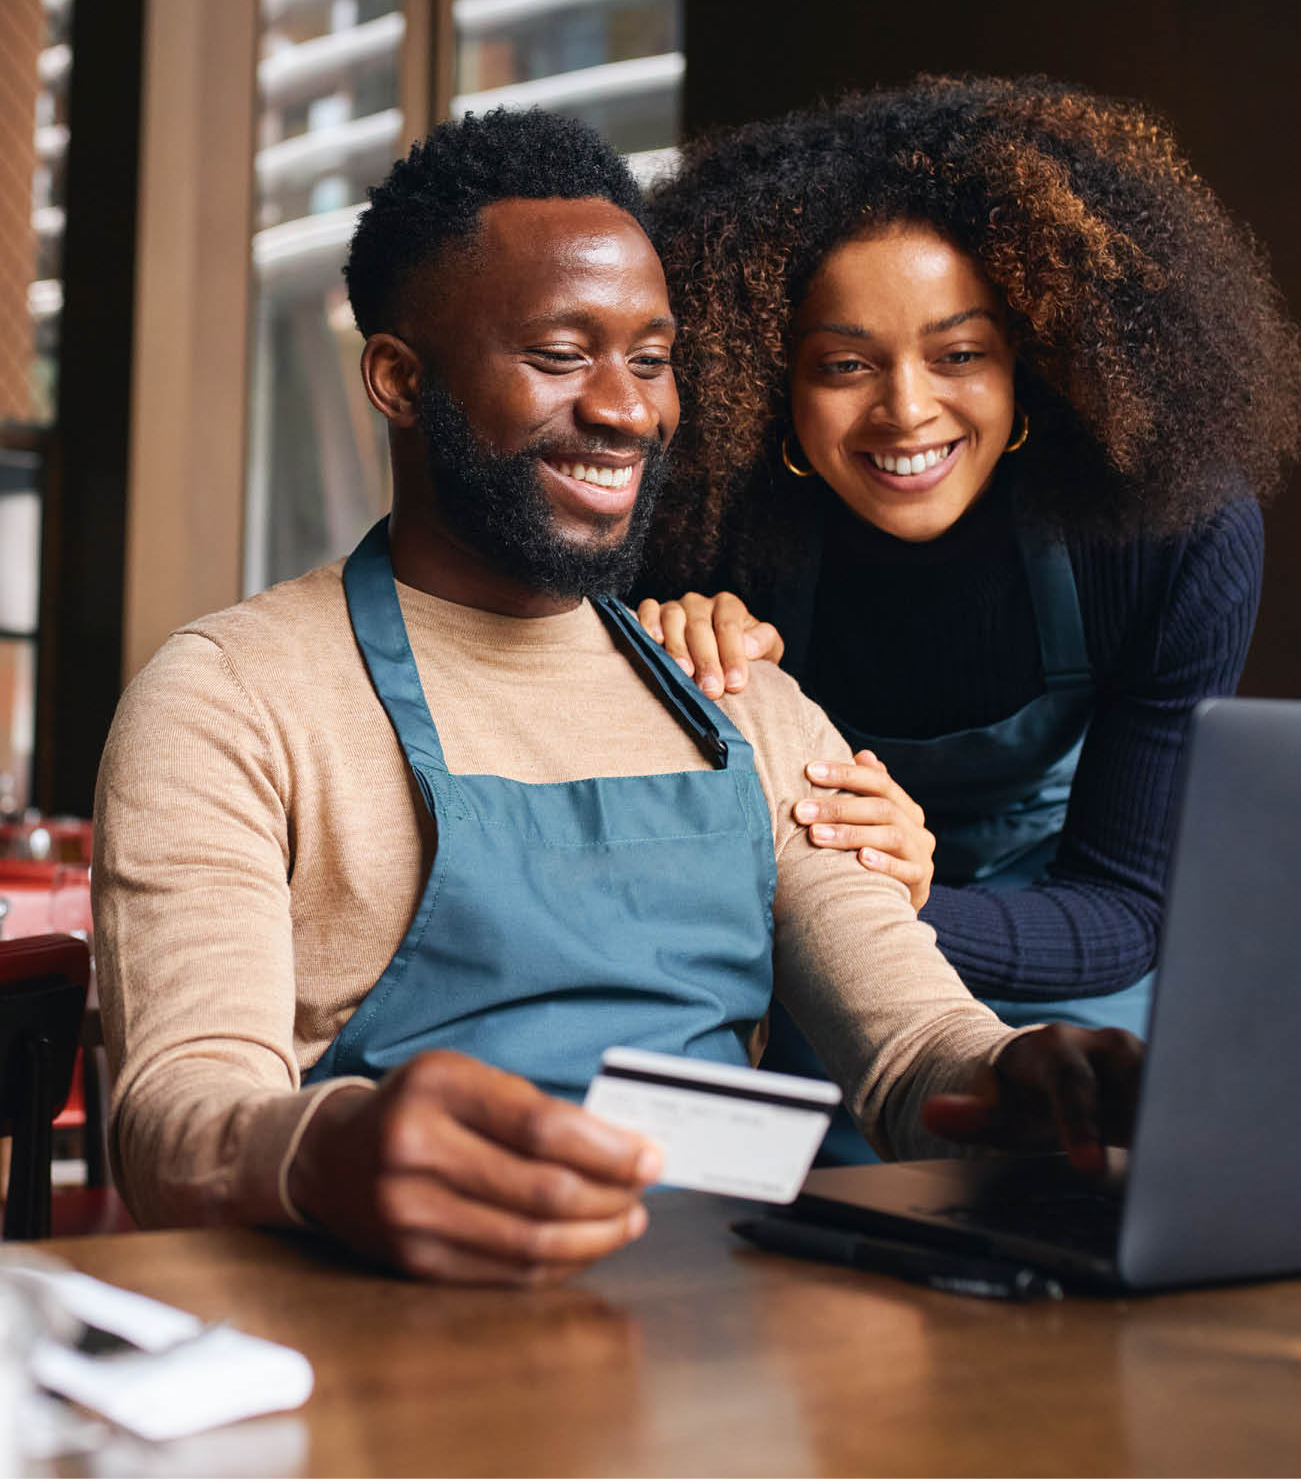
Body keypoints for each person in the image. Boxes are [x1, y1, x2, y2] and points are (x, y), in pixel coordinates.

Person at [94, 107, 1142, 1285]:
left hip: (720, 1366)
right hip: (376, 1362)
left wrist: (1027, 1083)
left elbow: (913, 1051)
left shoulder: (737, 697)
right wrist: (328, 1144)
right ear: (398, 378)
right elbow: (174, 1116)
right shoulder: (235, 697)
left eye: (649, 359)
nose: (627, 408)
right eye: (559, 355)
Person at [636, 75, 1301, 1158]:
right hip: (805, 976)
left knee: (1091, 1192)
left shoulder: (1167, 531)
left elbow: (1125, 909)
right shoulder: (702, 530)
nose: (906, 409)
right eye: (845, 364)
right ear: (767, 384)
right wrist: (665, 659)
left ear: (1027, 362)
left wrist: (909, 892)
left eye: (959, 353)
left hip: (1068, 966)